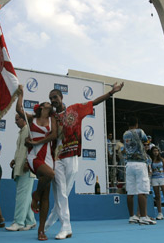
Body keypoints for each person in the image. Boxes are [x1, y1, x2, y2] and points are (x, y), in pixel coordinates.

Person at [42, 82, 124, 239]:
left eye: (55, 97)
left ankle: (51, 219)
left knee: (63, 193)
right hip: (57, 158)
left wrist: (111, 92)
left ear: (61, 97)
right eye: (50, 98)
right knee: (61, 193)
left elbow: (94, 102)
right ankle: (66, 227)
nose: (53, 100)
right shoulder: (52, 117)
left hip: (71, 155)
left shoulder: (75, 109)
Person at [22, 101, 57, 241]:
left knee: (46, 196)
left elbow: (54, 135)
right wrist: (20, 93)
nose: (50, 104)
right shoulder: (32, 118)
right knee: (50, 174)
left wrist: (38, 141)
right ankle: (35, 196)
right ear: (42, 106)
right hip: (34, 155)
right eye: (47, 103)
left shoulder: (52, 119)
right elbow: (19, 109)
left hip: (47, 156)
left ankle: (41, 230)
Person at [5, 110, 37, 231]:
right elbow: (21, 150)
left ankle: (18, 222)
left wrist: (29, 164)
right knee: (26, 196)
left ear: (24, 119)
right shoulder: (22, 132)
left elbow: (35, 148)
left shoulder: (30, 130)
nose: (15, 121)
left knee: (21, 196)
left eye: (17, 119)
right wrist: (14, 160)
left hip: (27, 169)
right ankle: (30, 221)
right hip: (20, 167)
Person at [124, 116, 156, 225]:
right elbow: (147, 142)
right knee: (143, 190)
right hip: (140, 164)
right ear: (136, 124)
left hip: (129, 164)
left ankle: (132, 216)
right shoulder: (140, 131)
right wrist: (146, 145)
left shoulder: (125, 134)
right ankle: (143, 217)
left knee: (130, 191)